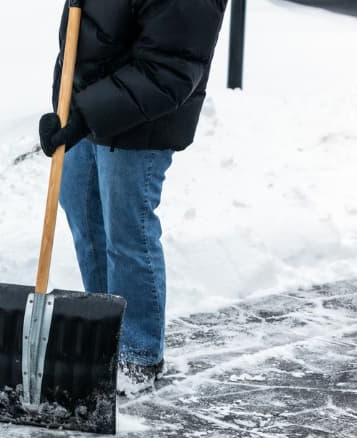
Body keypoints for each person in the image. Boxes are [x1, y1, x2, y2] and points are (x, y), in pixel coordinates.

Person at [39, 0, 227, 385]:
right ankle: (106, 328)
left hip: (144, 119)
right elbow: (84, 32)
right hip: (93, 107)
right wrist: (63, 107)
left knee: (127, 231)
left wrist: (86, 114)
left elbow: (170, 69)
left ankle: (138, 356)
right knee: (81, 206)